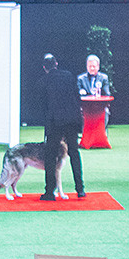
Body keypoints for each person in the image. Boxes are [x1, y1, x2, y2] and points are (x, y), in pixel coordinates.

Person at [40, 53, 85, 200]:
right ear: (56, 64)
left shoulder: (44, 80)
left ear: (44, 67)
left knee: (50, 156)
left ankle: (49, 192)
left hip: (55, 122)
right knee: (74, 153)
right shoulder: (69, 76)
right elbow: (76, 96)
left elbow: (44, 105)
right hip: (71, 119)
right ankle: (80, 189)